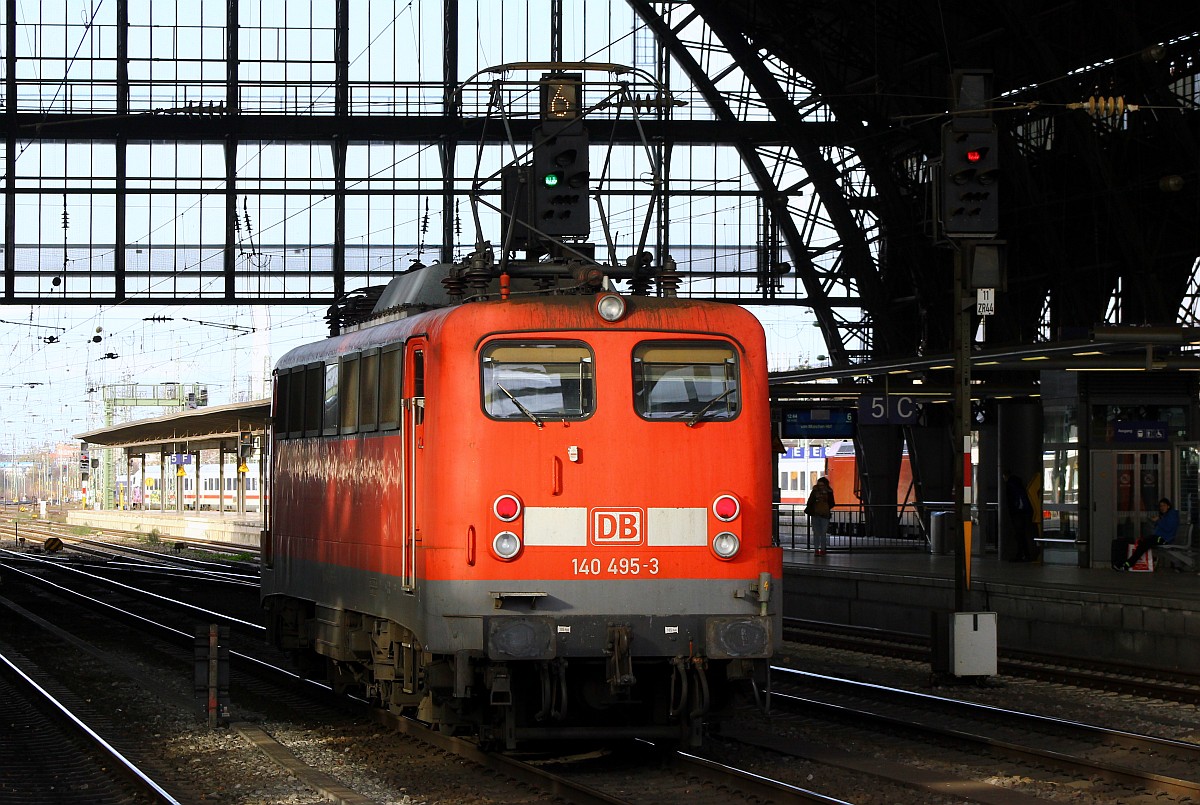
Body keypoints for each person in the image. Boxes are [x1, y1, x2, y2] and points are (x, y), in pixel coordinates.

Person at [1117, 497, 1179, 571]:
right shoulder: (1166, 516)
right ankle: (1127, 564)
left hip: (1164, 539)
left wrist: (1158, 520)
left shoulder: (1171, 515)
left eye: (1164, 505)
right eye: (1160, 506)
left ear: (1168, 506)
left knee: (1143, 544)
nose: (1162, 508)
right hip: (1160, 538)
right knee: (1142, 544)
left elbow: (1168, 528)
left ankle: (1127, 564)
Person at [1003, 470, 1040, 562]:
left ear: (1005, 476)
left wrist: (1012, 511)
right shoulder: (1019, 484)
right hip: (1024, 512)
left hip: (1017, 513)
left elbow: (1010, 501)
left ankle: (1022, 555)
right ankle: (1025, 555)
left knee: (1019, 535)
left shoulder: (1010, 485)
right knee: (1022, 534)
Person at [805, 476, 835, 556]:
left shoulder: (829, 492)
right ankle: (817, 549)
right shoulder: (815, 491)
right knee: (817, 533)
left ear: (825, 485)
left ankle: (822, 549)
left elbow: (832, 502)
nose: (820, 487)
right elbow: (809, 501)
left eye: (822, 485)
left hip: (823, 515)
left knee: (822, 533)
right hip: (817, 514)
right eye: (819, 485)